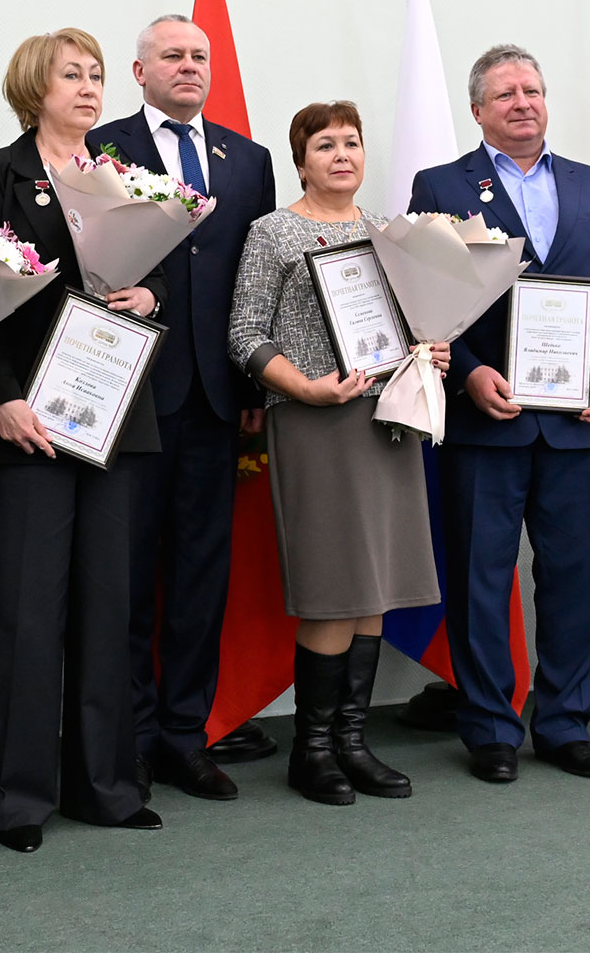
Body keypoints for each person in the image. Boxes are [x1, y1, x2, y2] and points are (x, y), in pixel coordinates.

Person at [409, 44, 590, 784]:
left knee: (576, 577)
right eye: (507, 93)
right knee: (482, 577)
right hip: (488, 417)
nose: (523, 103)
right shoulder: (442, 184)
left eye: (533, 90)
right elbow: (421, 293)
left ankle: (565, 724)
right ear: (478, 109)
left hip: (581, 420)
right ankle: (489, 727)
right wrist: (469, 371)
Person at [0, 29, 167, 852]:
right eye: (70, 75)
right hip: (29, 418)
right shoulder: (0, 173)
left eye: (94, 75)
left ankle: (106, 786)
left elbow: (159, 276)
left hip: (114, 412)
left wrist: (151, 297)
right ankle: (13, 801)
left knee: (107, 605)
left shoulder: (125, 177)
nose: (88, 88)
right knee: (25, 609)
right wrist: (2, 396)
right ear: (33, 88)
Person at [227, 101, 443, 806]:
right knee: (334, 585)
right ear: (301, 161)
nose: (342, 154)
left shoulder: (387, 233)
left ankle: (352, 742)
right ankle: (311, 751)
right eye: (325, 145)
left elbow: (409, 323)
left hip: (386, 423)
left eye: (352, 142)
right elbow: (245, 333)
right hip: (315, 422)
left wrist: (429, 348)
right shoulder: (273, 232)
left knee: (375, 584)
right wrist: (304, 387)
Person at [87, 13, 279, 802]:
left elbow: (258, 280)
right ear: (140, 71)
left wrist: (255, 388)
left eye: (199, 56)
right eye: (172, 55)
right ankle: (129, 739)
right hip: (131, 390)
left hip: (216, 395)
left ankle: (185, 735)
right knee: (129, 575)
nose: (189, 66)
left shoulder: (248, 158)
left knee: (202, 574)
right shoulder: (101, 147)